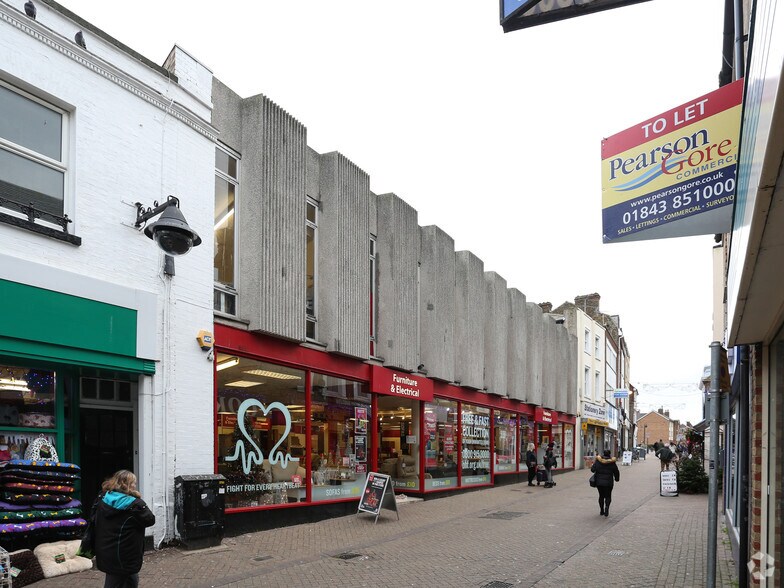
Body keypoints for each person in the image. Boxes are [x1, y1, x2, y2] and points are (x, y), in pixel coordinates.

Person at [92, 470, 155, 588]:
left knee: (130, 578)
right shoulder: (135, 504)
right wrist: (138, 501)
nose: (135, 485)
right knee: (114, 582)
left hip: (106, 549)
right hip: (125, 554)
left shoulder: (103, 498)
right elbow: (150, 520)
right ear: (127, 485)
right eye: (133, 483)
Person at [591, 449, 620, 517]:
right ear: (609, 454)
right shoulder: (612, 462)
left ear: (603, 454)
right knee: (608, 496)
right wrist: (617, 479)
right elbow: (616, 471)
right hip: (608, 482)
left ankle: (601, 510)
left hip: (599, 482)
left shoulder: (598, 461)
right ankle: (607, 507)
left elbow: (592, 470)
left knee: (601, 496)